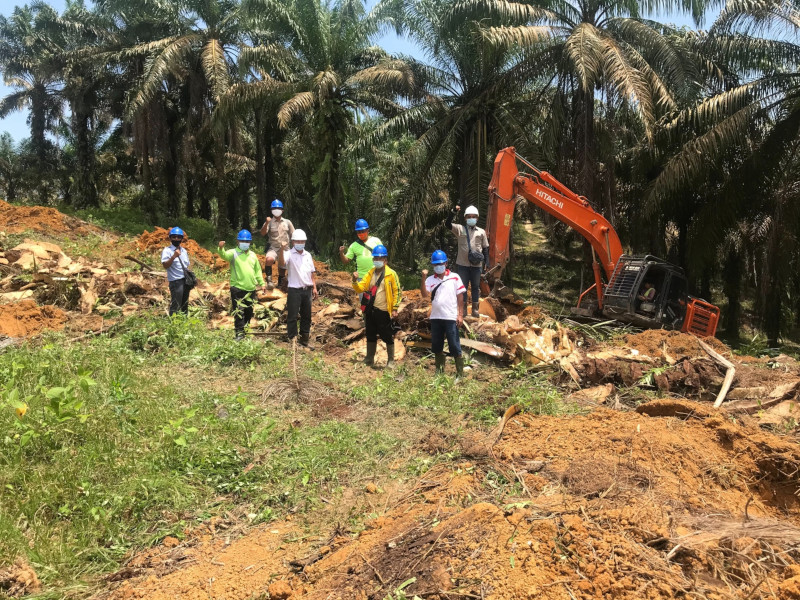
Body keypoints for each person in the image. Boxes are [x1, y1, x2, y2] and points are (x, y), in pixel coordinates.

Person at [351, 245, 401, 368]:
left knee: (387, 334)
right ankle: (369, 359)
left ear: (385, 260)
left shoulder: (391, 274)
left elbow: (397, 291)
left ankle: (390, 361)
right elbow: (361, 287)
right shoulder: (371, 273)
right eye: (375, 258)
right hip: (370, 310)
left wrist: (395, 308)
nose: (377, 260)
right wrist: (354, 281)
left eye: (380, 258)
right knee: (370, 333)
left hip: (383, 310)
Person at [420, 250, 466, 378]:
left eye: (440, 264)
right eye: (435, 265)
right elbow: (424, 295)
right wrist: (423, 278)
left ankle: (460, 374)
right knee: (437, 345)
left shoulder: (455, 277)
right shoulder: (430, 279)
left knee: (454, 345)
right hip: (435, 317)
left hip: (450, 317)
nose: (438, 266)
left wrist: (460, 314)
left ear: (445, 263)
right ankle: (439, 372)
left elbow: (460, 297)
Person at [217, 230, 266, 340]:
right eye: (242, 241)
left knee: (248, 311)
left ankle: (245, 331)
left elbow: (257, 270)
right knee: (239, 312)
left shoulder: (252, 255)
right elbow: (223, 255)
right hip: (237, 288)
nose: (245, 243)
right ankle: (239, 334)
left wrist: (262, 283)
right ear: (238, 241)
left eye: (247, 241)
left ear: (250, 242)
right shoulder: (233, 253)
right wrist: (220, 248)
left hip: (251, 288)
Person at [446, 204, 489, 317]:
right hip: (463, 265)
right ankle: (463, 309)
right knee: (462, 287)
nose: (471, 218)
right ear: (465, 218)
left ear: (477, 218)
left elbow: (485, 248)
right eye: (469, 216)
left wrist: (487, 263)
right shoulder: (460, 229)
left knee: (475, 287)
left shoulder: (481, 232)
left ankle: (475, 309)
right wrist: (453, 212)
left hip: (477, 265)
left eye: (473, 216)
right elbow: (447, 224)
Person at [278, 229, 318, 347]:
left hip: (307, 289)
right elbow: (282, 263)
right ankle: (292, 338)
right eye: (297, 241)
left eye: (302, 241)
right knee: (293, 315)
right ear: (293, 242)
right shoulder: (289, 253)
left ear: (305, 242)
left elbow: (312, 273)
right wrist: (281, 249)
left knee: (306, 315)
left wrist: (314, 287)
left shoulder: (308, 255)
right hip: (294, 289)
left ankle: (304, 339)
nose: (300, 243)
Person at [259, 199, 295, 290]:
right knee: (269, 259)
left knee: (282, 268)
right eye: (274, 208)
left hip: (285, 248)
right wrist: (266, 223)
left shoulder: (287, 222)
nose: (276, 210)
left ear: (282, 210)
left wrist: (294, 247)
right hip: (273, 247)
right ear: (271, 210)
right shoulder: (269, 222)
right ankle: (269, 280)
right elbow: (263, 233)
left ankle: (281, 283)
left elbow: (293, 234)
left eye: (278, 208)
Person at [161, 226, 191, 316]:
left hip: (185, 280)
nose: (176, 239)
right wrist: (173, 256)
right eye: (174, 237)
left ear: (182, 238)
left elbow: (187, 265)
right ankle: (173, 323)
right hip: (176, 281)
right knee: (176, 304)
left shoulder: (184, 251)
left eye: (178, 237)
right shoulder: (167, 251)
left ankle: (184, 322)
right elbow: (165, 265)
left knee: (184, 304)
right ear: (170, 238)